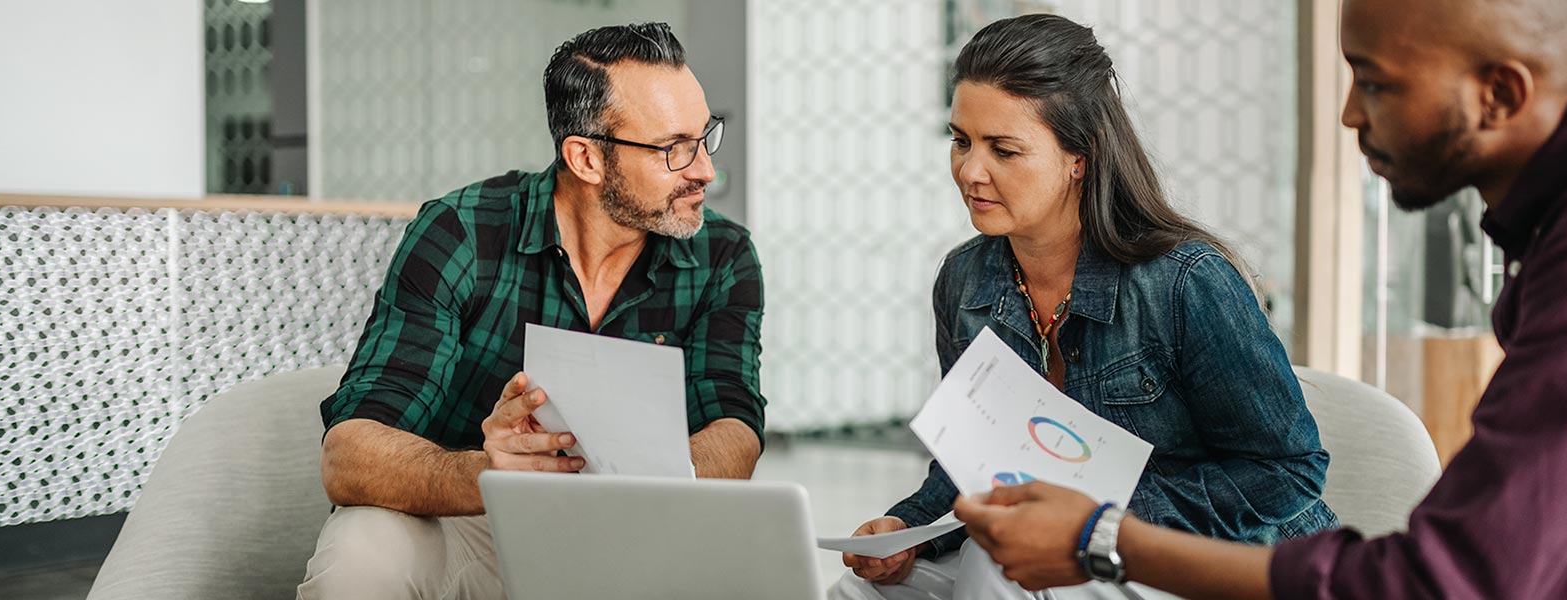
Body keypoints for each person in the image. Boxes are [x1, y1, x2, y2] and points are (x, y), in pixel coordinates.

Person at [953, 0, 1567, 597]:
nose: (1352, 114)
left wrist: (1104, 540)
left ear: (1499, 95)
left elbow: (1452, 583)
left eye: (1377, 82)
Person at [833, 14, 1336, 600]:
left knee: (997, 574)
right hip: (1069, 548)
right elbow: (970, 466)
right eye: (961, 140)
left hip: (1210, 557)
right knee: (862, 592)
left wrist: (1092, 523)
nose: (970, 171)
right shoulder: (964, 282)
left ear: (1081, 157)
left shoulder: (1185, 284)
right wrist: (910, 530)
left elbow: (1286, 472)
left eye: (1004, 149)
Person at [298, 23, 767, 599]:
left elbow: (737, 428)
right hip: (479, 525)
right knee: (362, 549)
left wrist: (652, 478)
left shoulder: (723, 254)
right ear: (587, 158)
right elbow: (348, 457)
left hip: (641, 532)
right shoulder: (462, 234)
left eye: (704, 136)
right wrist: (487, 472)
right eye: (676, 149)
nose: (705, 171)